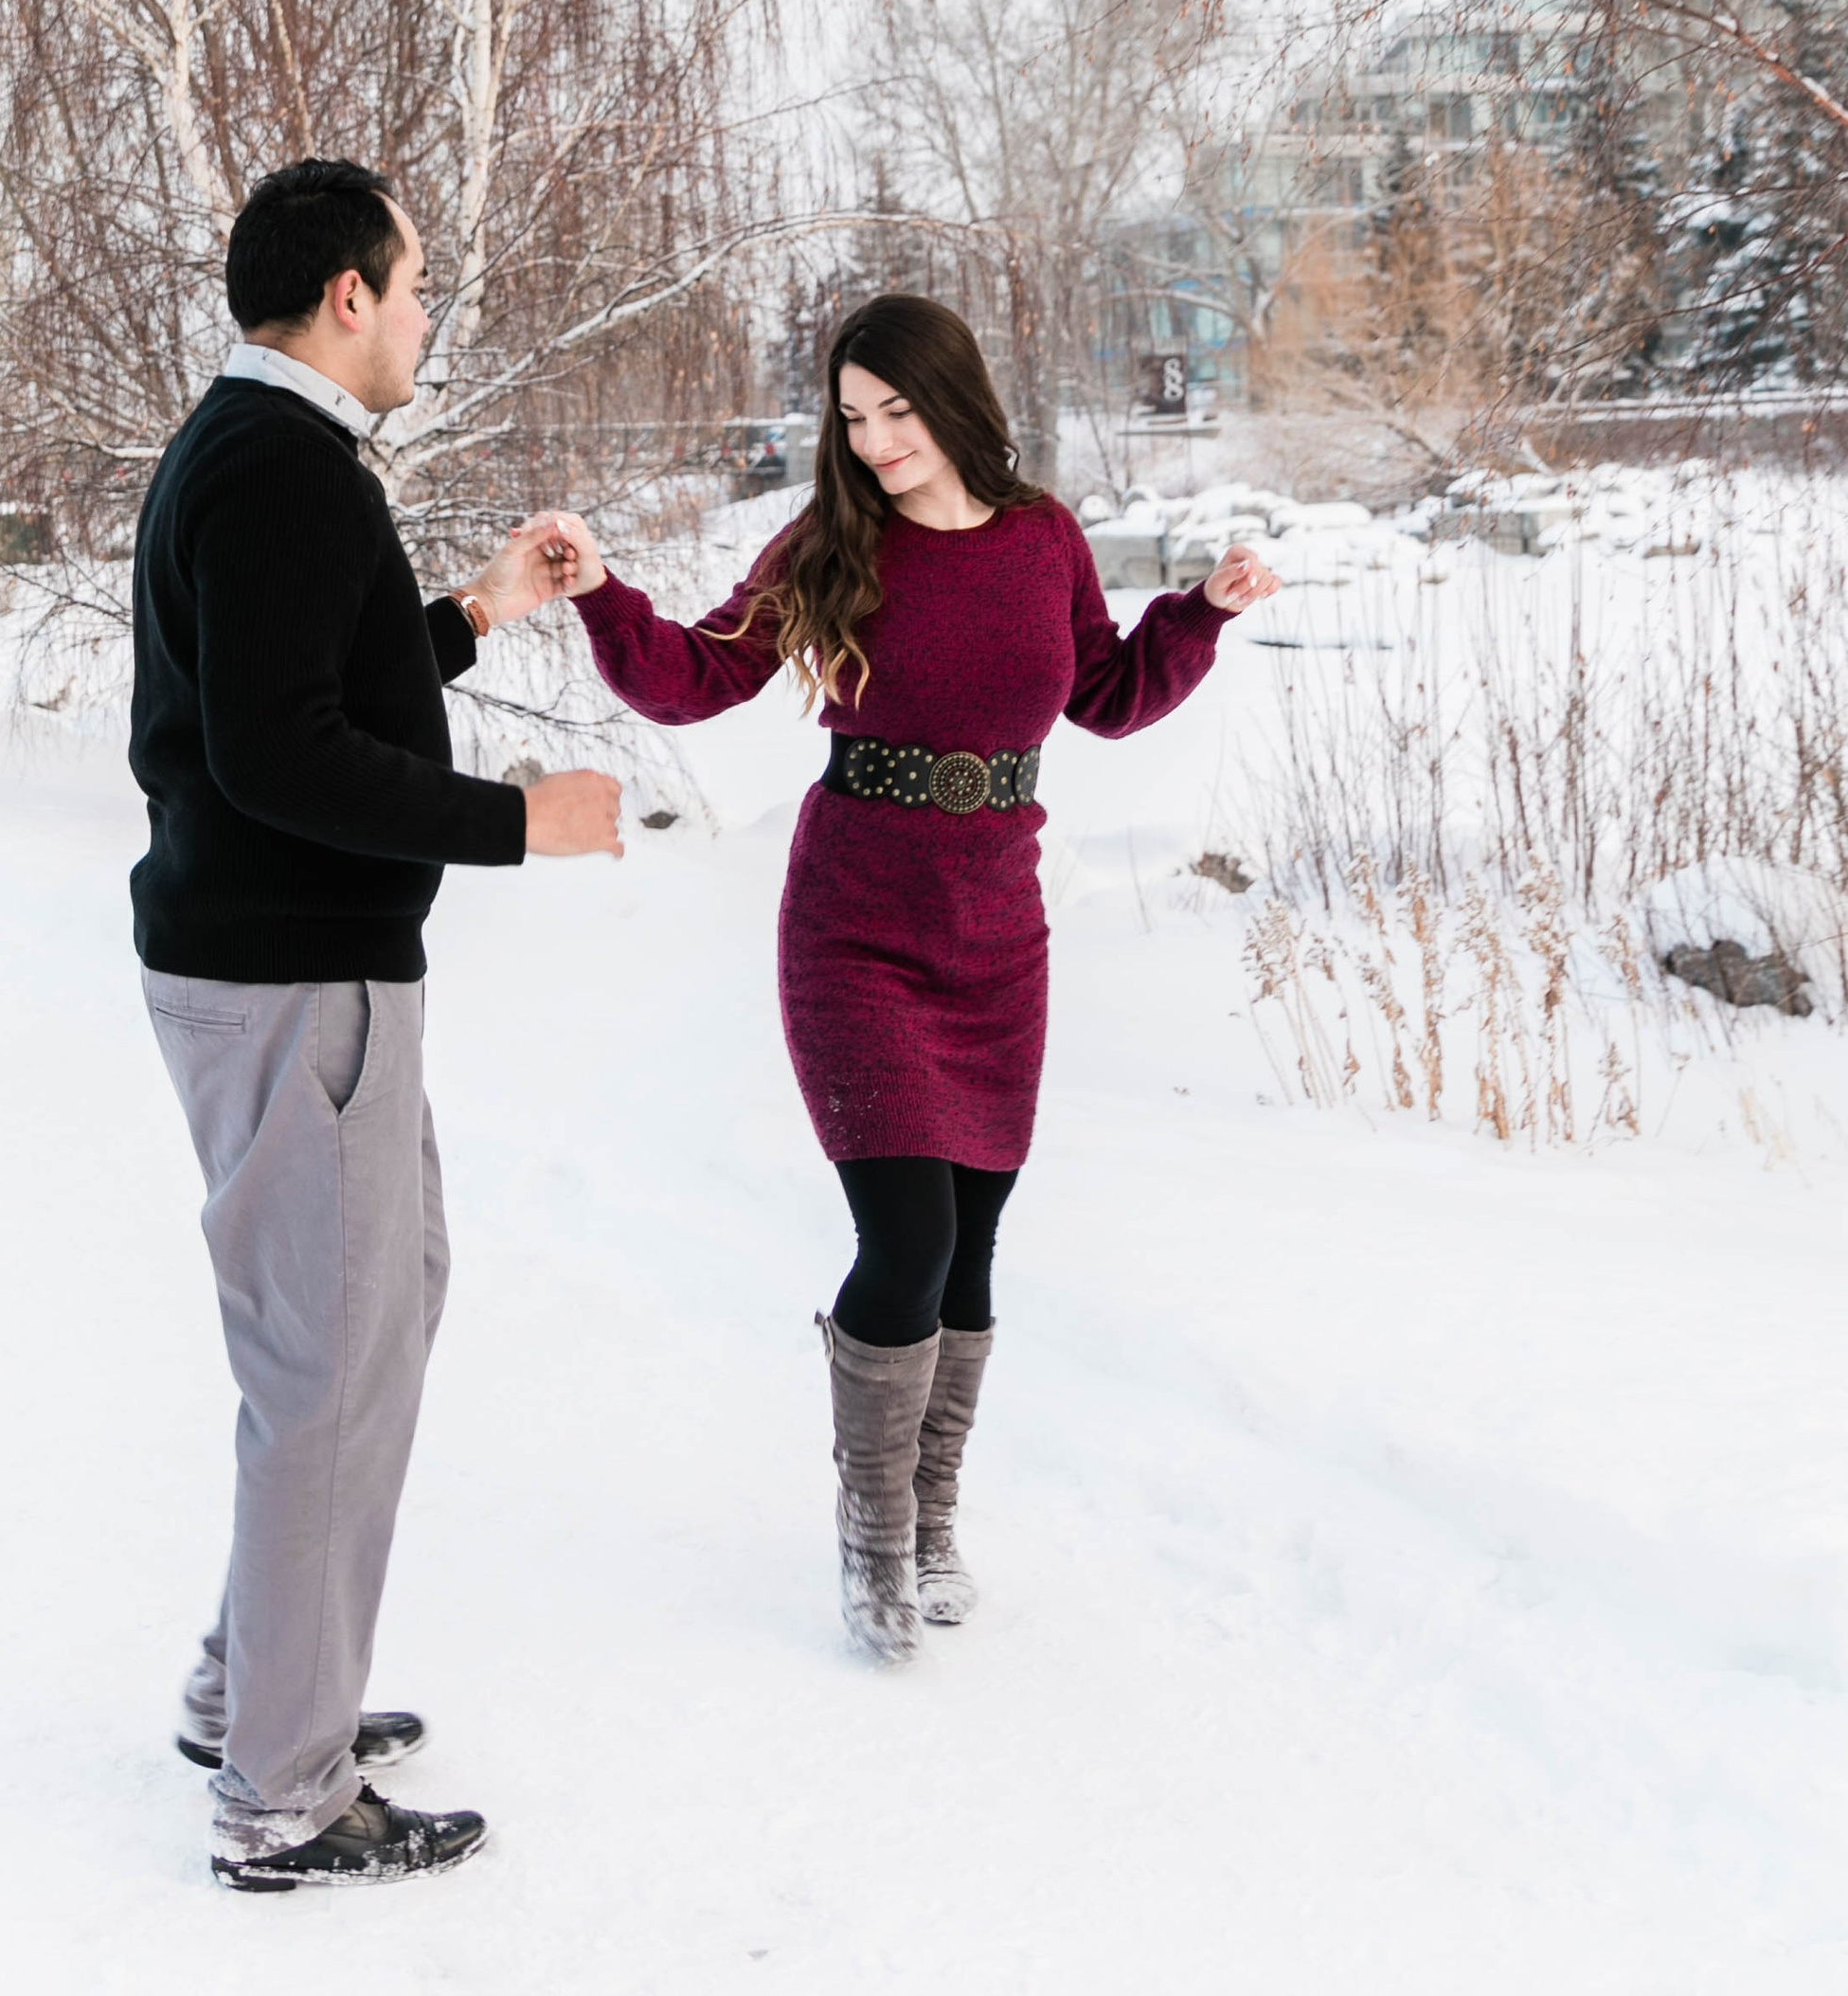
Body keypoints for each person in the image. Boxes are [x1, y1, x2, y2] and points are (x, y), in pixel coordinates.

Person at [522, 293, 1280, 1664]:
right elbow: (694, 678)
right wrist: (601, 594)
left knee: (973, 1244)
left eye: (896, 411)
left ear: (955, 400)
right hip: (856, 927)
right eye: (853, 417)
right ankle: (872, 1541)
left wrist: (1200, 616)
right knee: (909, 1240)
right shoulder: (833, 541)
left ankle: (932, 1522)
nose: (873, 441)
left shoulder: (1043, 539)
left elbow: (1105, 695)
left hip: (996, 931)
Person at [130, 157, 617, 1891]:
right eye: (413, 288)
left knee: (374, 1320)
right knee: (327, 1371)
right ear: (348, 294)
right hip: (294, 983)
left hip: (302, 974)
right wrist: (515, 823)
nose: (423, 319)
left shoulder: (267, 452)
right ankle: (280, 1789)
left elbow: (312, 687)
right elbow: (282, 755)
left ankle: (258, 1688)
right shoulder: (277, 465)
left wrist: (477, 613)